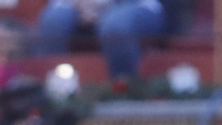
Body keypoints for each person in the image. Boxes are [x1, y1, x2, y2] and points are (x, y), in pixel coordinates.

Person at [36, 0, 164, 81]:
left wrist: (101, 5)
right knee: (53, 20)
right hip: (78, 5)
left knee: (115, 26)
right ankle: (51, 92)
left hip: (136, 5)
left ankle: (123, 89)